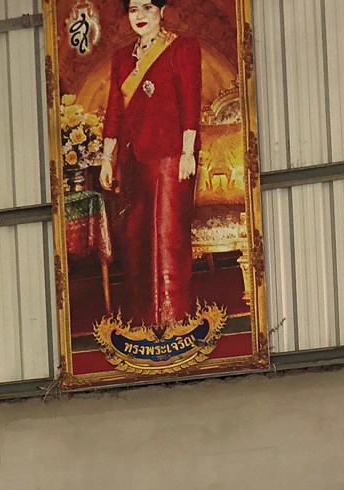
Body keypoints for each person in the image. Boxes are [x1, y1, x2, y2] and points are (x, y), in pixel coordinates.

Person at [99, 0, 202, 328]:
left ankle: (174, 321)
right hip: (133, 160)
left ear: (162, 10)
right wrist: (107, 159)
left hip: (171, 158)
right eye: (133, 9)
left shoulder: (182, 48)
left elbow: (191, 102)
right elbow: (114, 111)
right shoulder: (121, 58)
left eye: (147, 7)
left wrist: (188, 153)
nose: (140, 16)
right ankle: (144, 322)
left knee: (168, 238)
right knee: (136, 242)